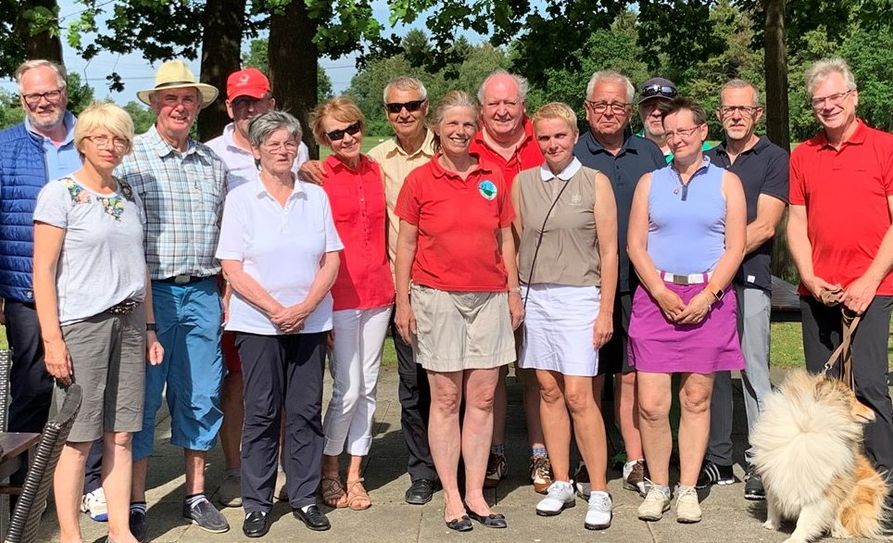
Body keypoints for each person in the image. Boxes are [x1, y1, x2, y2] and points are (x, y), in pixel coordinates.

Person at [32, 102, 164, 543]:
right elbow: (43, 272)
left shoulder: (126, 194)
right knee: (78, 439)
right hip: (82, 328)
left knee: (121, 436)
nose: (111, 146)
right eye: (101, 137)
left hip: (128, 327)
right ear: (83, 142)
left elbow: (138, 266)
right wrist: (52, 339)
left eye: (120, 138)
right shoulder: (60, 194)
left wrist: (148, 328)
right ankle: (70, 534)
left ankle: (122, 529)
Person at [394, 90, 522, 532]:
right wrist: (402, 302)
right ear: (438, 128)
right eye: (453, 124)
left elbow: (506, 239)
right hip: (437, 297)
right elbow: (405, 245)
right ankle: (451, 495)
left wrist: (513, 292)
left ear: (477, 129)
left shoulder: (492, 177)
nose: (461, 131)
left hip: (490, 296)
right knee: (446, 398)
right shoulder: (420, 181)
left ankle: (475, 493)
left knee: (483, 398)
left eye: (468, 125)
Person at [117, 60, 230, 539]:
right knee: (142, 398)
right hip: (151, 294)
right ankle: (137, 500)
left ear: (197, 107)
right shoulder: (131, 159)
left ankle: (195, 493)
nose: (179, 107)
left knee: (201, 394)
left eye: (188, 99)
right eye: (170, 99)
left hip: (203, 290)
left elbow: (226, 235)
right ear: (156, 105)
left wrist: (224, 292)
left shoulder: (213, 164)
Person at [217, 110, 342, 537]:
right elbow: (232, 266)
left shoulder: (315, 197)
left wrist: (305, 307)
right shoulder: (241, 199)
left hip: (308, 322)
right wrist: (275, 309)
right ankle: (256, 502)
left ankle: (305, 495)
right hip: (258, 324)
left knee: (306, 411)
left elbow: (331, 259)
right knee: (263, 412)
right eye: (272, 144)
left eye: (289, 143)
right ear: (256, 150)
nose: (283, 150)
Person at [627, 96, 746, 523]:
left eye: (684, 130)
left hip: (707, 300)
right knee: (653, 405)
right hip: (656, 298)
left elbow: (735, 247)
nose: (675, 138)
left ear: (701, 132)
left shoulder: (726, 182)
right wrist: (659, 292)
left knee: (696, 399)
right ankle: (659, 486)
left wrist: (709, 295)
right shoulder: (650, 182)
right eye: (669, 131)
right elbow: (635, 246)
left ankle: (688, 489)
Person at [0, 58, 109, 522]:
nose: (42, 102)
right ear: (21, 98)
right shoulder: (4, 146)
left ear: (65, 92)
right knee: (31, 386)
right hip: (26, 285)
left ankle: (89, 482)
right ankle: (25, 485)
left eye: (50, 93)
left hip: (86, 289)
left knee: (88, 387)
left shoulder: (91, 139)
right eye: (31, 96)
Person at [513, 102, 618, 529]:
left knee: (578, 395)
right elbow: (516, 240)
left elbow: (609, 251)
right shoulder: (522, 183)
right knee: (547, 391)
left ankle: (599, 489)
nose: (552, 144)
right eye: (544, 137)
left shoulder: (595, 182)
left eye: (560, 136)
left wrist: (606, 309)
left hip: (580, 297)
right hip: (536, 296)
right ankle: (560, 480)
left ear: (574, 137)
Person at [787, 57, 893, 481]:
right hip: (818, 292)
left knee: (867, 385)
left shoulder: (884, 146)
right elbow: (795, 220)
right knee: (824, 393)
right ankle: (832, 484)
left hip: (874, 287)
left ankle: (884, 482)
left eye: (834, 97)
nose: (827, 106)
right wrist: (809, 276)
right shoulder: (803, 154)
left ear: (853, 97)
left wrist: (868, 281)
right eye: (818, 100)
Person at [206, 67, 306, 508]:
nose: (249, 109)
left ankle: (283, 467)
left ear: (271, 101)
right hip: (233, 288)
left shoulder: (295, 152)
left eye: (257, 101)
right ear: (229, 107)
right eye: (240, 103)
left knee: (284, 384)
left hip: (290, 293)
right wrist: (227, 283)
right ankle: (235, 469)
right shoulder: (212, 154)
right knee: (239, 382)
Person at [574, 70, 665, 498]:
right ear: (587, 108)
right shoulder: (573, 154)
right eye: (600, 104)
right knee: (589, 374)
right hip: (584, 284)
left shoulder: (648, 153)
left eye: (617, 105)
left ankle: (634, 459)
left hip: (639, 284)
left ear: (629, 111)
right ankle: (587, 455)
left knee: (630, 374)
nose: (608, 112)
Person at [701, 80, 788, 499]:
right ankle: (719, 458)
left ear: (757, 113)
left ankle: (760, 459)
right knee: (715, 370)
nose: (736, 115)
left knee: (754, 369)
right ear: (719, 114)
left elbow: (766, 225)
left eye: (744, 109)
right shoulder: (706, 159)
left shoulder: (773, 158)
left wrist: (718, 256)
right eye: (728, 109)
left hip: (750, 278)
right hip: (710, 286)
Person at [309, 97, 394, 511]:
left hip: (379, 291)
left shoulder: (378, 170)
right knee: (347, 388)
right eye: (335, 133)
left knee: (371, 386)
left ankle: (356, 474)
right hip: (338, 295)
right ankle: (329, 470)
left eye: (352, 128)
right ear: (323, 139)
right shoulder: (316, 176)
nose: (347, 138)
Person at [471, 69, 549, 494]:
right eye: (494, 104)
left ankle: (540, 455)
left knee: (536, 372)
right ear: (482, 109)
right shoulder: (467, 144)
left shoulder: (547, 141)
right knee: (489, 375)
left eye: (510, 103)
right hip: (485, 278)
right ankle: (496, 453)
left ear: (523, 107)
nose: (502, 111)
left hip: (541, 277)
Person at [367, 77, 439, 505]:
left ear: (425, 107)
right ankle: (422, 471)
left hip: (451, 286)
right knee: (413, 385)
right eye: (395, 108)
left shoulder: (449, 148)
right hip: (405, 287)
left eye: (411, 105)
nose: (405, 114)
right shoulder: (376, 160)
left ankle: (462, 464)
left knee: (453, 384)